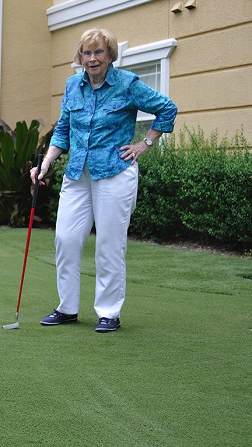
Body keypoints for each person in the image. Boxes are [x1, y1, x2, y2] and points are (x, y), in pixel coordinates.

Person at [31, 28, 177, 332]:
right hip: (77, 174)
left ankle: (109, 312)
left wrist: (144, 144)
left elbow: (167, 109)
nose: (92, 58)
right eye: (87, 52)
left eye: (99, 52)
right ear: (80, 57)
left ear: (109, 54)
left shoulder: (127, 84)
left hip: (115, 172)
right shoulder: (73, 85)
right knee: (66, 239)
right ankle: (67, 308)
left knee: (109, 244)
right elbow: (63, 131)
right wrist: (45, 164)